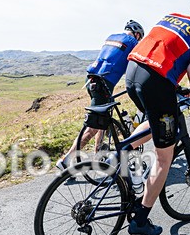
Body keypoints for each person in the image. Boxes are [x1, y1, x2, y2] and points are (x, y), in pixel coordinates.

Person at [125, 0, 190, 235]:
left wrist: (174, 88)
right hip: (156, 81)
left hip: (133, 73)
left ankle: (120, 157)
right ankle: (140, 219)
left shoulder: (173, 16)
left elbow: (165, 51)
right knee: (164, 158)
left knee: (156, 119)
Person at [58, 20, 145, 169]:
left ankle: (98, 150)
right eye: (140, 38)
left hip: (91, 79)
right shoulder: (132, 42)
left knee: (104, 118)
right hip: (103, 84)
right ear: (137, 34)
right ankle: (66, 160)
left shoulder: (112, 37)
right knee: (92, 126)